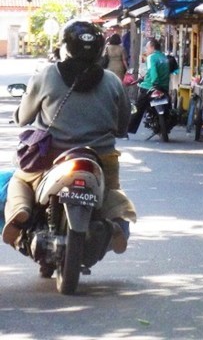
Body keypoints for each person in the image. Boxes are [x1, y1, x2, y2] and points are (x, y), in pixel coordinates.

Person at [2, 20, 136, 253]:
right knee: (111, 191)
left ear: (65, 46)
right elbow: (123, 125)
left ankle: (20, 211)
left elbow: (24, 117)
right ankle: (116, 222)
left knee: (20, 180)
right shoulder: (112, 81)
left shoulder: (46, 75)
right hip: (101, 157)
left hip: (52, 155)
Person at [127, 38, 170, 134]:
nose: (146, 50)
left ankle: (129, 129)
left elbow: (152, 71)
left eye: (147, 48)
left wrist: (155, 83)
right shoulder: (165, 58)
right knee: (168, 107)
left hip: (150, 87)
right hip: (164, 87)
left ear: (152, 47)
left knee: (138, 108)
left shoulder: (151, 57)